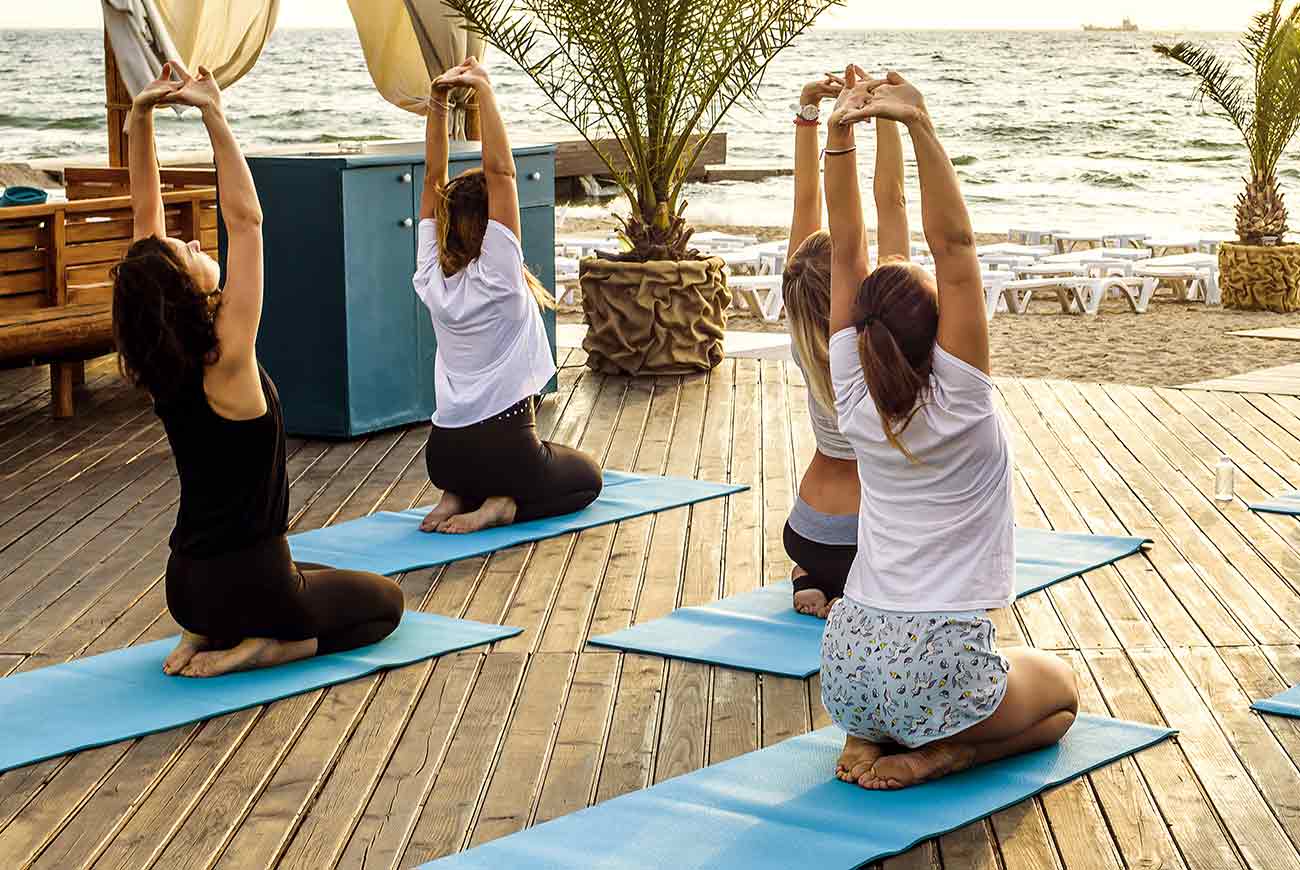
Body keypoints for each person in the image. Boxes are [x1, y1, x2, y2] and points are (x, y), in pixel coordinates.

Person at [819, 67, 1078, 789]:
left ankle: (866, 739)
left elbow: (847, 250)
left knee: (926, 683)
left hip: (846, 667)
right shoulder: (960, 396)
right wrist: (918, 123)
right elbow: (956, 248)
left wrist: (839, 134)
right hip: (935, 671)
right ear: (936, 326)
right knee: (1061, 695)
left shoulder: (852, 385)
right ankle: (946, 753)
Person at [113, 63, 404, 678]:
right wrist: (214, 113)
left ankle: (205, 634)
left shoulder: (161, 359)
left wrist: (141, 117)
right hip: (251, 586)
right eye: (188, 252)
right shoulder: (227, 355)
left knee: (320, 573)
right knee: (385, 604)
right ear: (183, 291)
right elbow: (246, 221)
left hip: (185, 586)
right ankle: (270, 646)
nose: (197, 244)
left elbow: (146, 223)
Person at [414, 58, 602, 535]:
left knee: (496, 466)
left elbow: (433, 176)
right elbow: (502, 173)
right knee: (587, 478)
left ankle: (456, 495)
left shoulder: (431, 276)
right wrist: (485, 89)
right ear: (489, 227)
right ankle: (501, 507)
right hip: (506, 451)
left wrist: (438, 103)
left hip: (444, 456)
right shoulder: (499, 278)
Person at [781, 72, 910, 619]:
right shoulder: (880, 338)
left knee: (810, 566)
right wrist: (887, 119)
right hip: (865, 539)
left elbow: (805, 202)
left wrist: (811, 115)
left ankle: (810, 578)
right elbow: (893, 204)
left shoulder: (801, 333)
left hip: (806, 529)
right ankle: (845, 591)